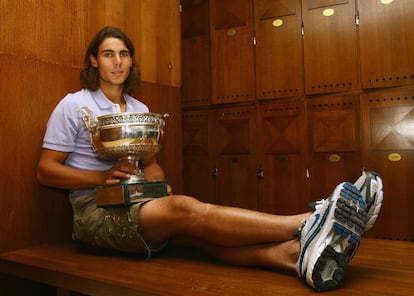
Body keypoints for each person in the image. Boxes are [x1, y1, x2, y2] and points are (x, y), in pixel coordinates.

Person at [36, 26, 384, 292]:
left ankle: (294, 257)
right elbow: (46, 171)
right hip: (92, 214)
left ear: (131, 60)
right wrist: (102, 179)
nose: (117, 62)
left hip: (137, 205)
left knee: (202, 237)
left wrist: (159, 187)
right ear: (94, 60)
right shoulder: (73, 105)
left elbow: (151, 164)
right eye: (108, 54)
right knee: (187, 209)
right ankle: (309, 222)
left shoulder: (140, 109)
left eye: (124, 54)